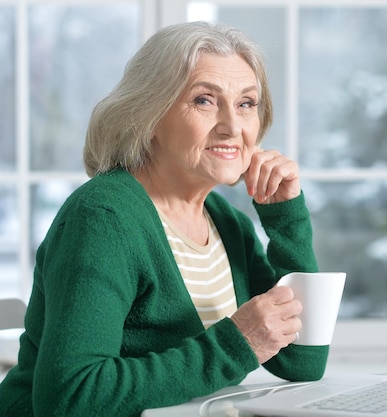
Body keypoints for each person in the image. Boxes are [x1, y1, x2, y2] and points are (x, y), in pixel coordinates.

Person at [0, 21, 328, 417]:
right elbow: (70, 397)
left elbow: (301, 360)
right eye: (205, 100)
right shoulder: (104, 219)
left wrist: (285, 217)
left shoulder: (225, 222)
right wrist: (236, 343)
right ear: (149, 116)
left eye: (246, 104)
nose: (232, 127)